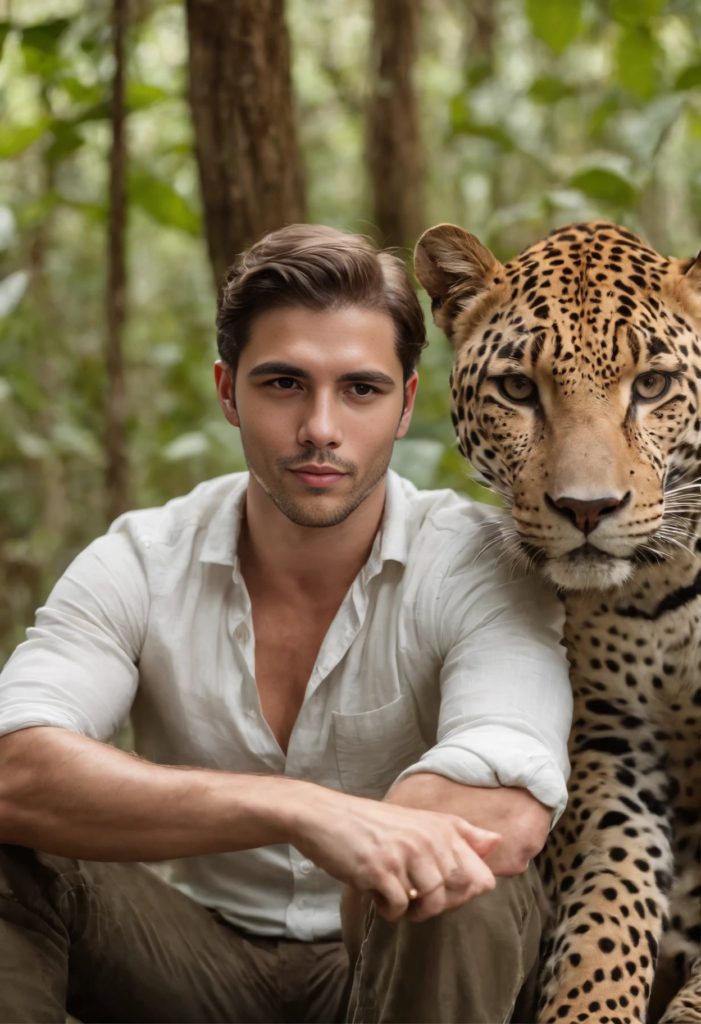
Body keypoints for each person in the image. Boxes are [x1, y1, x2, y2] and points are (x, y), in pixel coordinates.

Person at [0, 224, 571, 1024]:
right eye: (283, 385)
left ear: (406, 405)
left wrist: (378, 857)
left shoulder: (475, 563)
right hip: (191, 963)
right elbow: (12, 764)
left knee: (461, 879)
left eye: (361, 390)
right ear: (227, 391)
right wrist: (296, 808)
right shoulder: (141, 557)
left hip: (390, 960)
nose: (321, 429)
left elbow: (507, 807)